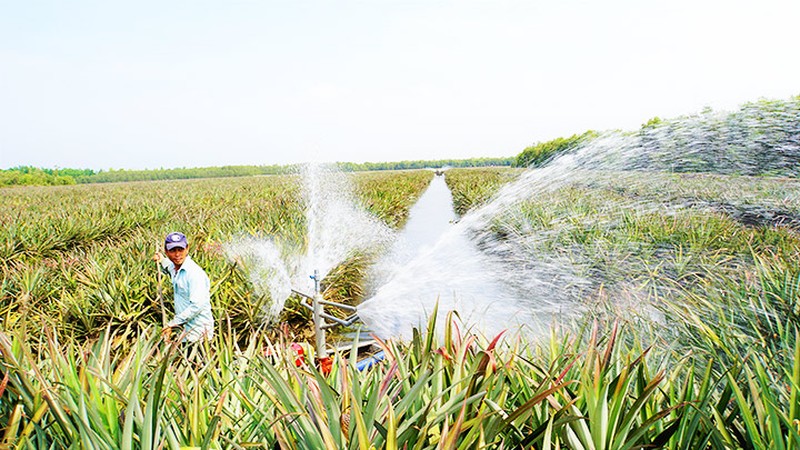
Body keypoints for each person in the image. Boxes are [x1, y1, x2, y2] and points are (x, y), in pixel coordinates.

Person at [153, 231, 214, 342]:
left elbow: (197, 306)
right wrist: (161, 260)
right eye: (172, 250)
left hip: (199, 335)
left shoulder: (194, 274)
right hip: (185, 333)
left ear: (187, 249)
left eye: (180, 250)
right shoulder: (175, 267)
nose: (177, 255)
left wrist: (172, 324)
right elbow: (169, 266)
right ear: (166, 251)